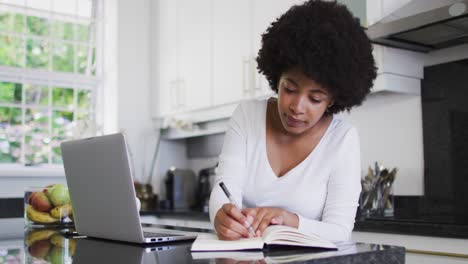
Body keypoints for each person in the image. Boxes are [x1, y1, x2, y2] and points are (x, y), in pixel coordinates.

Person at [209, 0, 377, 242]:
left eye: (315, 98)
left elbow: (339, 230)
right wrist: (221, 216)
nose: (297, 107)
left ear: (332, 99)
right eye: (289, 88)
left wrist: (287, 219)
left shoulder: (342, 139)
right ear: (277, 78)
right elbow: (224, 188)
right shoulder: (247, 116)